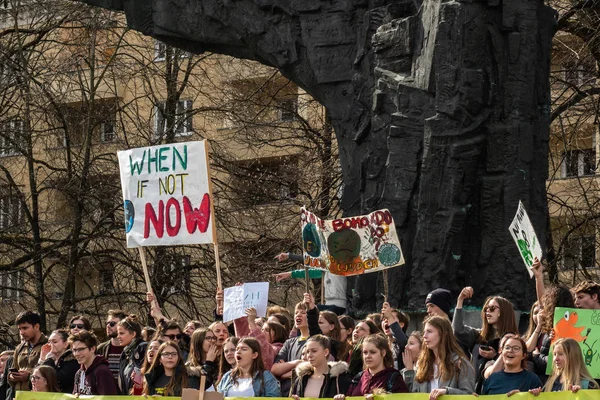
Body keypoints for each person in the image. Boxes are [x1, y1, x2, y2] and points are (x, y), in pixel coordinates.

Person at [453, 287, 518, 392]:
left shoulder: (513, 340)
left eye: (492, 308)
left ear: (503, 312)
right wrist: (460, 301)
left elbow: (517, 365)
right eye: (486, 309)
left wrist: (495, 356)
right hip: (476, 388)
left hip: (499, 390)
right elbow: (457, 331)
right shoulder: (479, 335)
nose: (488, 311)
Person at [405, 316, 475, 398]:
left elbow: (469, 395)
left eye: (429, 331)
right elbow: (413, 395)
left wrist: (447, 391)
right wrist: (409, 372)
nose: (424, 336)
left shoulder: (461, 364)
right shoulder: (422, 364)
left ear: (444, 334)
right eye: (424, 332)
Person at [271, 293, 320, 395]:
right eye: (296, 313)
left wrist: (286, 371)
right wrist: (297, 363)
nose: (298, 315)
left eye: (303, 312)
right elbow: (275, 369)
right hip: (286, 393)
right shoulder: (289, 343)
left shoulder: (316, 340)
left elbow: (312, 368)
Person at [334, 334, 408, 400]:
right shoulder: (358, 378)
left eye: (373, 352)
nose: (368, 356)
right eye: (365, 352)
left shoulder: (393, 378)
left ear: (383, 353)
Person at [274, 252, 348, 315]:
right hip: (328, 304)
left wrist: (290, 256)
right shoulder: (326, 267)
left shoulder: (344, 264)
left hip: (340, 306)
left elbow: (310, 261)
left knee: (310, 314)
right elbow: (310, 269)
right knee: (305, 312)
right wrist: (290, 274)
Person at [7, 311, 48, 399]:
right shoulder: (19, 348)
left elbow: (51, 374)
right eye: (20, 329)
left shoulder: (48, 345)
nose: (21, 332)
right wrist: (12, 376)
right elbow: (12, 371)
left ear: (36, 327)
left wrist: (29, 376)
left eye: (25, 328)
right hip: (18, 396)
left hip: (39, 396)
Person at [71, 331, 119, 395]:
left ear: (93, 349)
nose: (76, 354)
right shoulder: (79, 373)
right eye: (74, 350)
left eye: (81, 349)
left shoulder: (102, 372)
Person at [117, 315, 147, 395]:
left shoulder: (143, 348)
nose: (118, 336)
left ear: (133, 334)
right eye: (118, 333)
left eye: (121, 333)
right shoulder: (125, 353)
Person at [96, 309, 127, 381]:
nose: (108, 326)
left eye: (112, 323)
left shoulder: (130, 348)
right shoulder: (101, 348)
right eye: (107, 323)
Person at [381, 302, 408, 369]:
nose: (387, 320)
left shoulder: (406, 342)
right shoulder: (380, 345)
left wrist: (389, 317)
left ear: (401, 324)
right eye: (384, 319)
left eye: (392, 317)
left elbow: (402, 341)